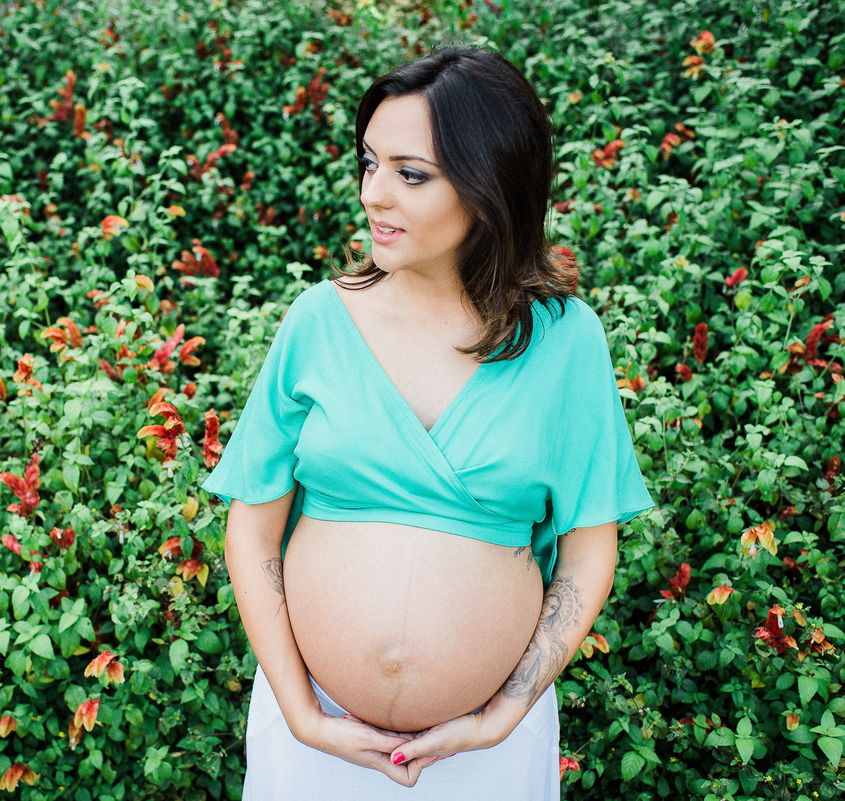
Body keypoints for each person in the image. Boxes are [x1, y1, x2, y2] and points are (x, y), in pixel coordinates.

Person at [201, 45, 654, 799]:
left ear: (492, 184)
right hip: (319, 738)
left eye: (411, 174)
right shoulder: (318, 321)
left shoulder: (567, 341)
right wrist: (301, 713)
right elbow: (251, 530)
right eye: (369, 163)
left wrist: (503, 713)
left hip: (484, 749)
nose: (375, 194)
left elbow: (586, 556)